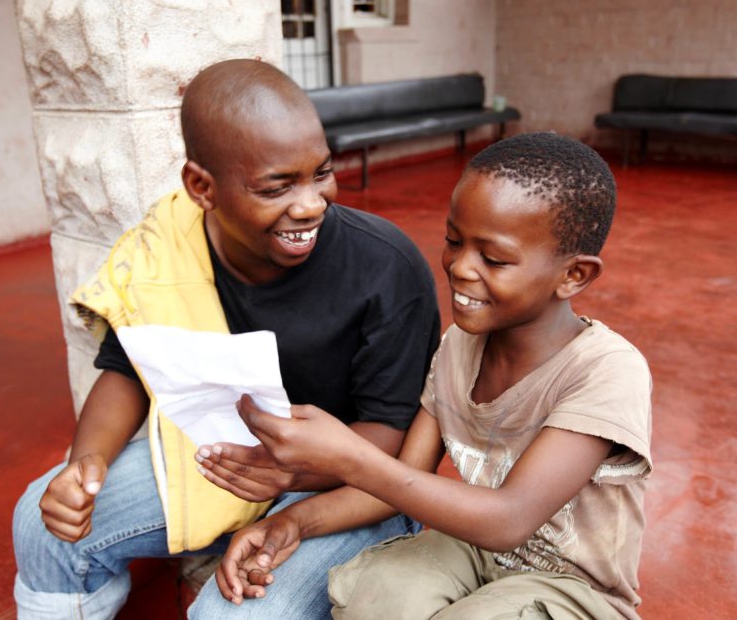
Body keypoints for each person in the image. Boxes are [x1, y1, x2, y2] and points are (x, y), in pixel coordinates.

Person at [11, 59, 440, 619]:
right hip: (223, 460)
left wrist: (290, 481)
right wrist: (85, 465)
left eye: (321, 172)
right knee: (40, 524)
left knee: (233, 616)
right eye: (276, 187)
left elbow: (390, 438)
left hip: (356, 486)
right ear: (201, 187)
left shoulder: (386, 265)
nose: (310, 203)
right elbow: (127, 369)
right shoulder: (164, 248)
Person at [198, 132, 653, 619]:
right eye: (454, 241)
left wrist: (350, 456)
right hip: (475, 554)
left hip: (572, 587)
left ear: (574, 276)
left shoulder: (605, 371)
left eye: (493, 259)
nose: (460, 267)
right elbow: (406, 480)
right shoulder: (459, 345)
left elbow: (509, 519)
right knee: (377, 594)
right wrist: (293, 523)